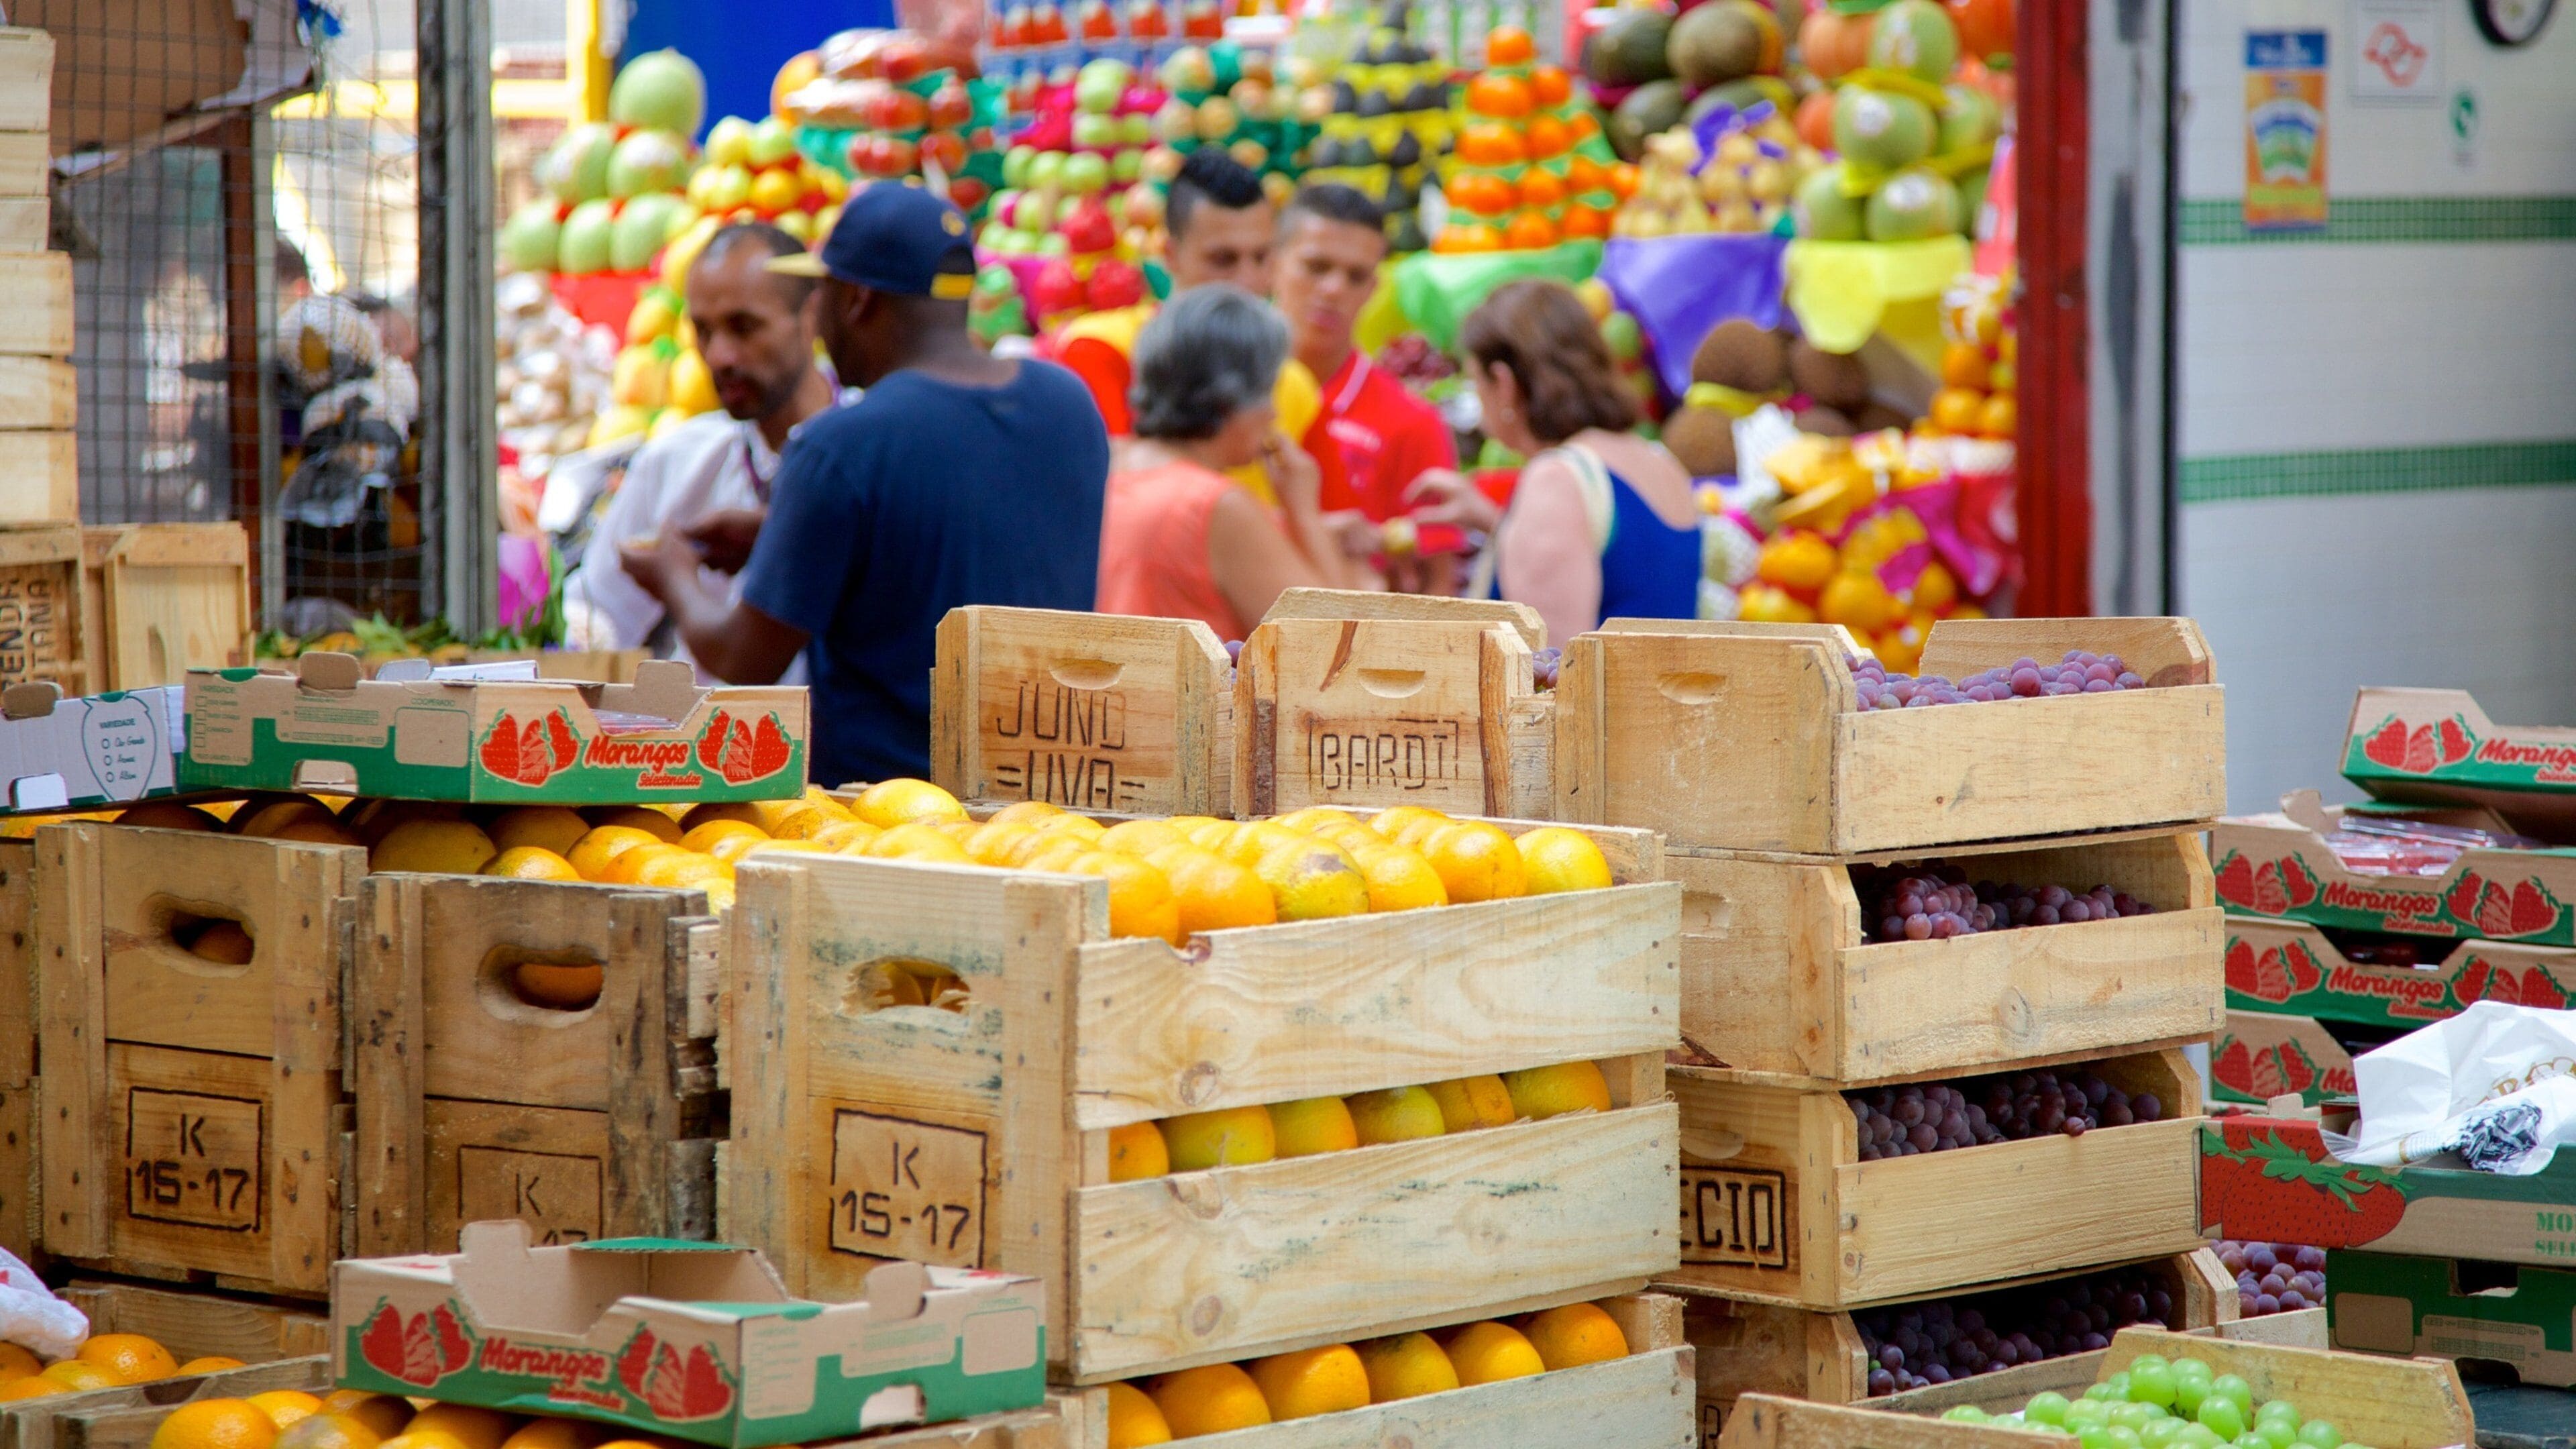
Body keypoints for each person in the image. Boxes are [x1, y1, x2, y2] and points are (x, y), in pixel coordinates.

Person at [620, 184, 1110, 786]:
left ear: (855, 301)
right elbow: (955, 543)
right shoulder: (1069, 405)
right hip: (1046, 808)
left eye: (823, 296)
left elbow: (743, 659)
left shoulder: (839, 447)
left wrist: (674, 572)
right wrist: (782, 538)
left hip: (894, 819)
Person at [575, 223, 841, 681]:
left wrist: (676, 579)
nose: (720, 356)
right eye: (703, 331)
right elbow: (595, 617)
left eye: (744, 327)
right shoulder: (676, 461)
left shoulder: (865, 459)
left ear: (812, 314)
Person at [1408, 279, 1701, 648]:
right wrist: (1492, 521)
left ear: (1504, 383)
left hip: (1602, 706)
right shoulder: (1660, 463)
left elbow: (1550, 672)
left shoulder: (1557, 480)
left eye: (1475, 381)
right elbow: (1629, 574)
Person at [1047, 148, 1342, 508]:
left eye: (1261, 258)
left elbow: (1334, 518)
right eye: (1223, 259)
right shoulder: (1102, 350)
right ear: (1170, 255)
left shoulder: (1295, 386)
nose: (1247, 281)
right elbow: (1120, 507)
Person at [1097, 286, 1377, 639]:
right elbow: (1332, 645)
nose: (1274, 412)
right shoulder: (1215, 505)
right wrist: (1303, 511)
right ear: (1232, 399)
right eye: (1269, 391)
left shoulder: (1108, 462)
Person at [1270, 183, 1463, 593]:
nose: (1334, 288)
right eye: (1316, 266)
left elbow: (1439, 591)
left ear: (1374, 289)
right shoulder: (1220, 395)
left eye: (1356, 275)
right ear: (1273, 262)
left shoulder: (1413, 423)